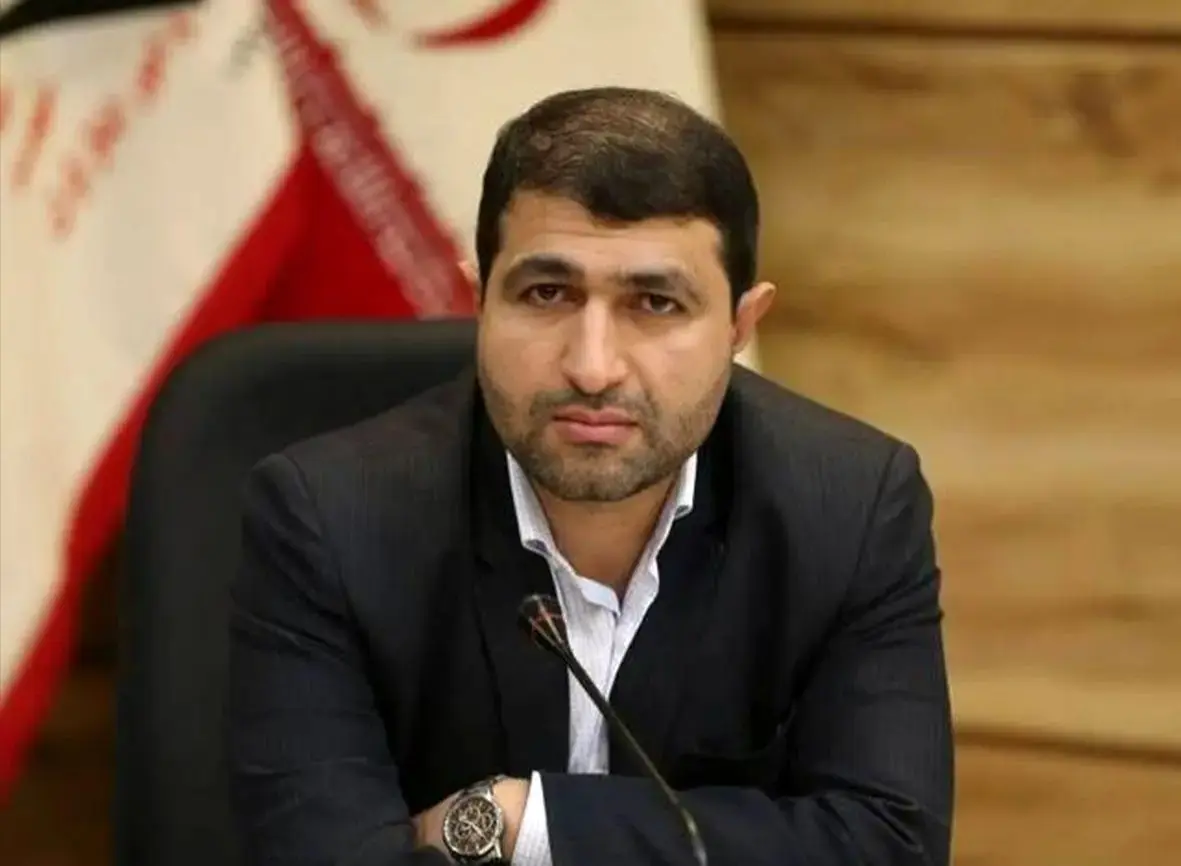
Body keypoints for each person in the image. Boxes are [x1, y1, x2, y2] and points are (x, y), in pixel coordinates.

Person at [228, 86, 954, 866]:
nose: (593, 366)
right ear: (478, 300)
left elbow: (890, 845)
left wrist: (517, 821)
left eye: (655, 303)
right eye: (546, 294)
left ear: (740, 326)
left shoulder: (849, 507)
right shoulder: (327, 518)